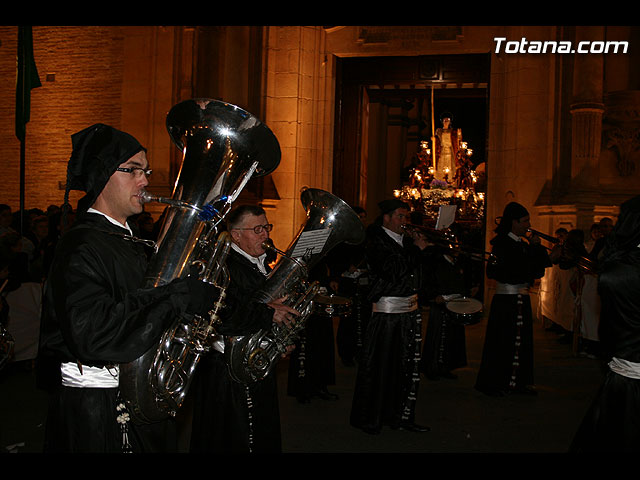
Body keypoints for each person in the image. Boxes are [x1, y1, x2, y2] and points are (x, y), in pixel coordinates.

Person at [37, 123, 219, 453]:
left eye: (145, 171)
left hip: (139, 399)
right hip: (98, 410)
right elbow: (93, 332)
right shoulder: (81, 246)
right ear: (101, 175)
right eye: (133, 170)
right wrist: (177, 297)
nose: (146, 181)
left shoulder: (132, 242)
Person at [190, 204, 299, 453]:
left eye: (267, 227)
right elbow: (223, 313)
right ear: (236, 235)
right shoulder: (223, 265)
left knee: (260, 431)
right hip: (227, 370)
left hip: (255, 362)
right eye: (257, 229)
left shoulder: (261, 262)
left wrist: (278, 341)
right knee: (231, 437)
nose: (265, 235)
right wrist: (269, 313)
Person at [350, 199, 430, 435]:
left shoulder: (405, 240)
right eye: (400, 216)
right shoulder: (375, 241)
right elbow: (393, 270)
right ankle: (372, 418)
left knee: (405, 368)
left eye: (406, 217)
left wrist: (422, 251)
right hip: (387, 316)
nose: (405, 222)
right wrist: (417, 249)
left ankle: (401, 415)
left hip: (409, 313)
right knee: (380, 367)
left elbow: (417, 270)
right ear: (386, 218)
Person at [571, 195, 640, 451]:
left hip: (624, 375)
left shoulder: (615, 269)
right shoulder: (623, 271)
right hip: (629, 379)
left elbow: (609, 332)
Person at [474, 201, 550, 397]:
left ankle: (517, 381)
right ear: (514, 222)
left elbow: (534, 269)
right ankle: (500, 382)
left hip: (519, 300)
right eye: (525, 221)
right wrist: (532, 253)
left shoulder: (520, 244)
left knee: (519, 342)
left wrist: (536, 250)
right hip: (506, 302)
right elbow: (498, 271)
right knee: (504, 342)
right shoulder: (501, 244)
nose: (528, 225)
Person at [420, 244, 469, 380]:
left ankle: (446, 367)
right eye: (454, 246)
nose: (457, 249)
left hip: (455, 304)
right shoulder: (437, 263)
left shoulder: (457, 263)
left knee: (452, 337)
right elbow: (428, 281)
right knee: (438, 337)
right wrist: (434, 295)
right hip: (441, 305)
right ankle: (433, 367)